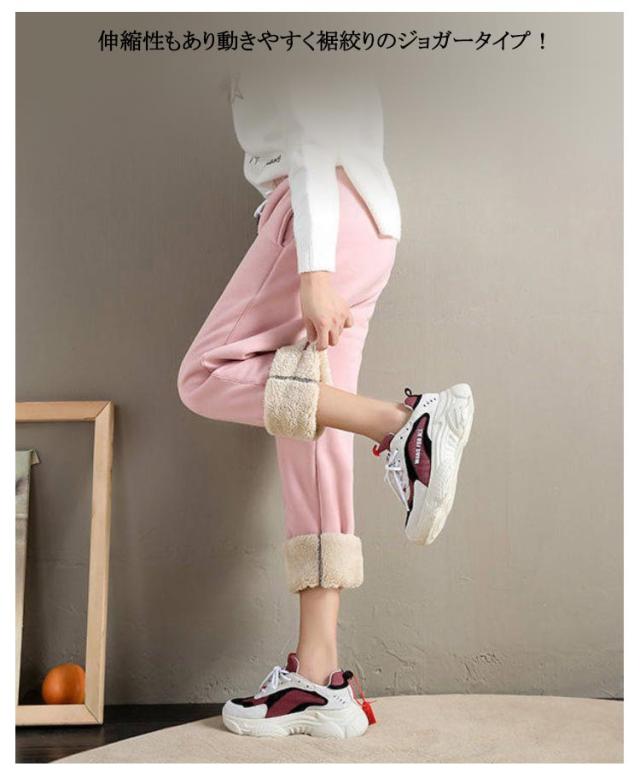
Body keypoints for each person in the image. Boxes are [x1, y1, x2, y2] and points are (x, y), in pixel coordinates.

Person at [177, 60, 474, 738]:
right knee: (312, 441)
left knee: (206, 375)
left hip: (323, 211)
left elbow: (311, 127)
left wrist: (313, 269)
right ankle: (318, 677)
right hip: (365, 221)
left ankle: (402, 423)